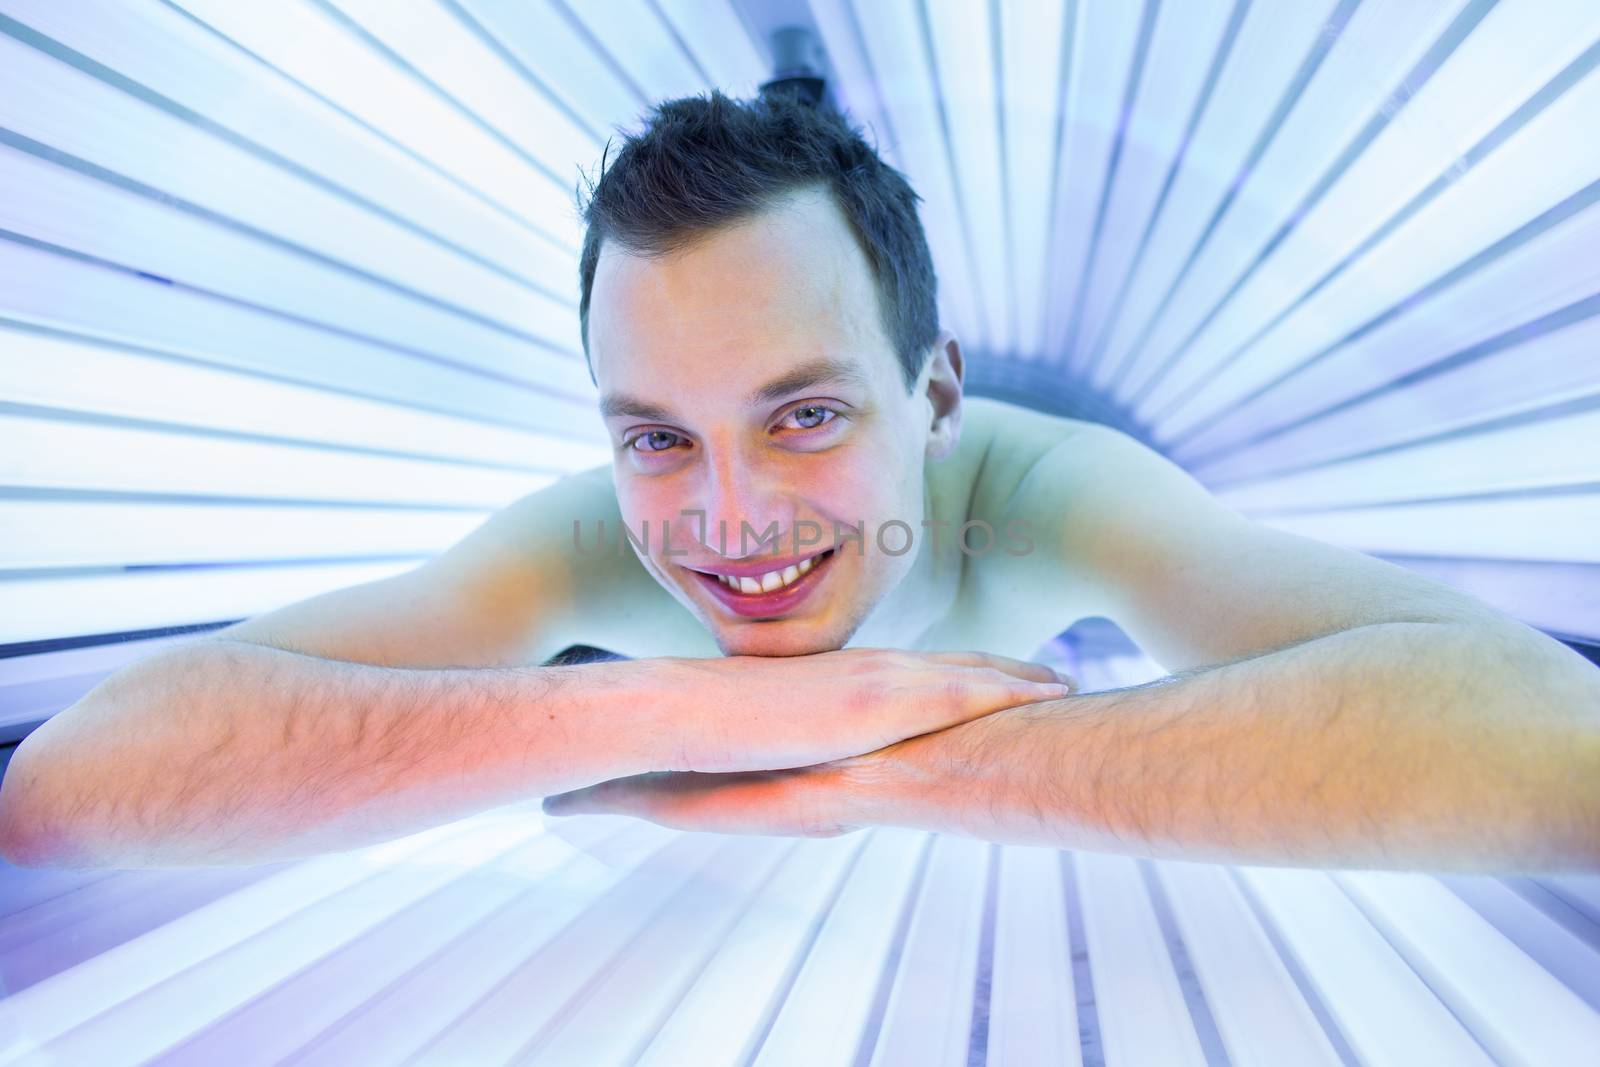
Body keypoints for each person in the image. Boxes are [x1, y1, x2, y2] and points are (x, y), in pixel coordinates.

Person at [2, 92, 1595, 873]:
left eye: (807, 417)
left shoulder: (1060, 490)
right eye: (655, 436)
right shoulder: (577, 546)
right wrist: (680, 712)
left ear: (938, 397)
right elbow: (66, 791)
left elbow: (1554, 747)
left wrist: (866, 767)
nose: (733, 522)